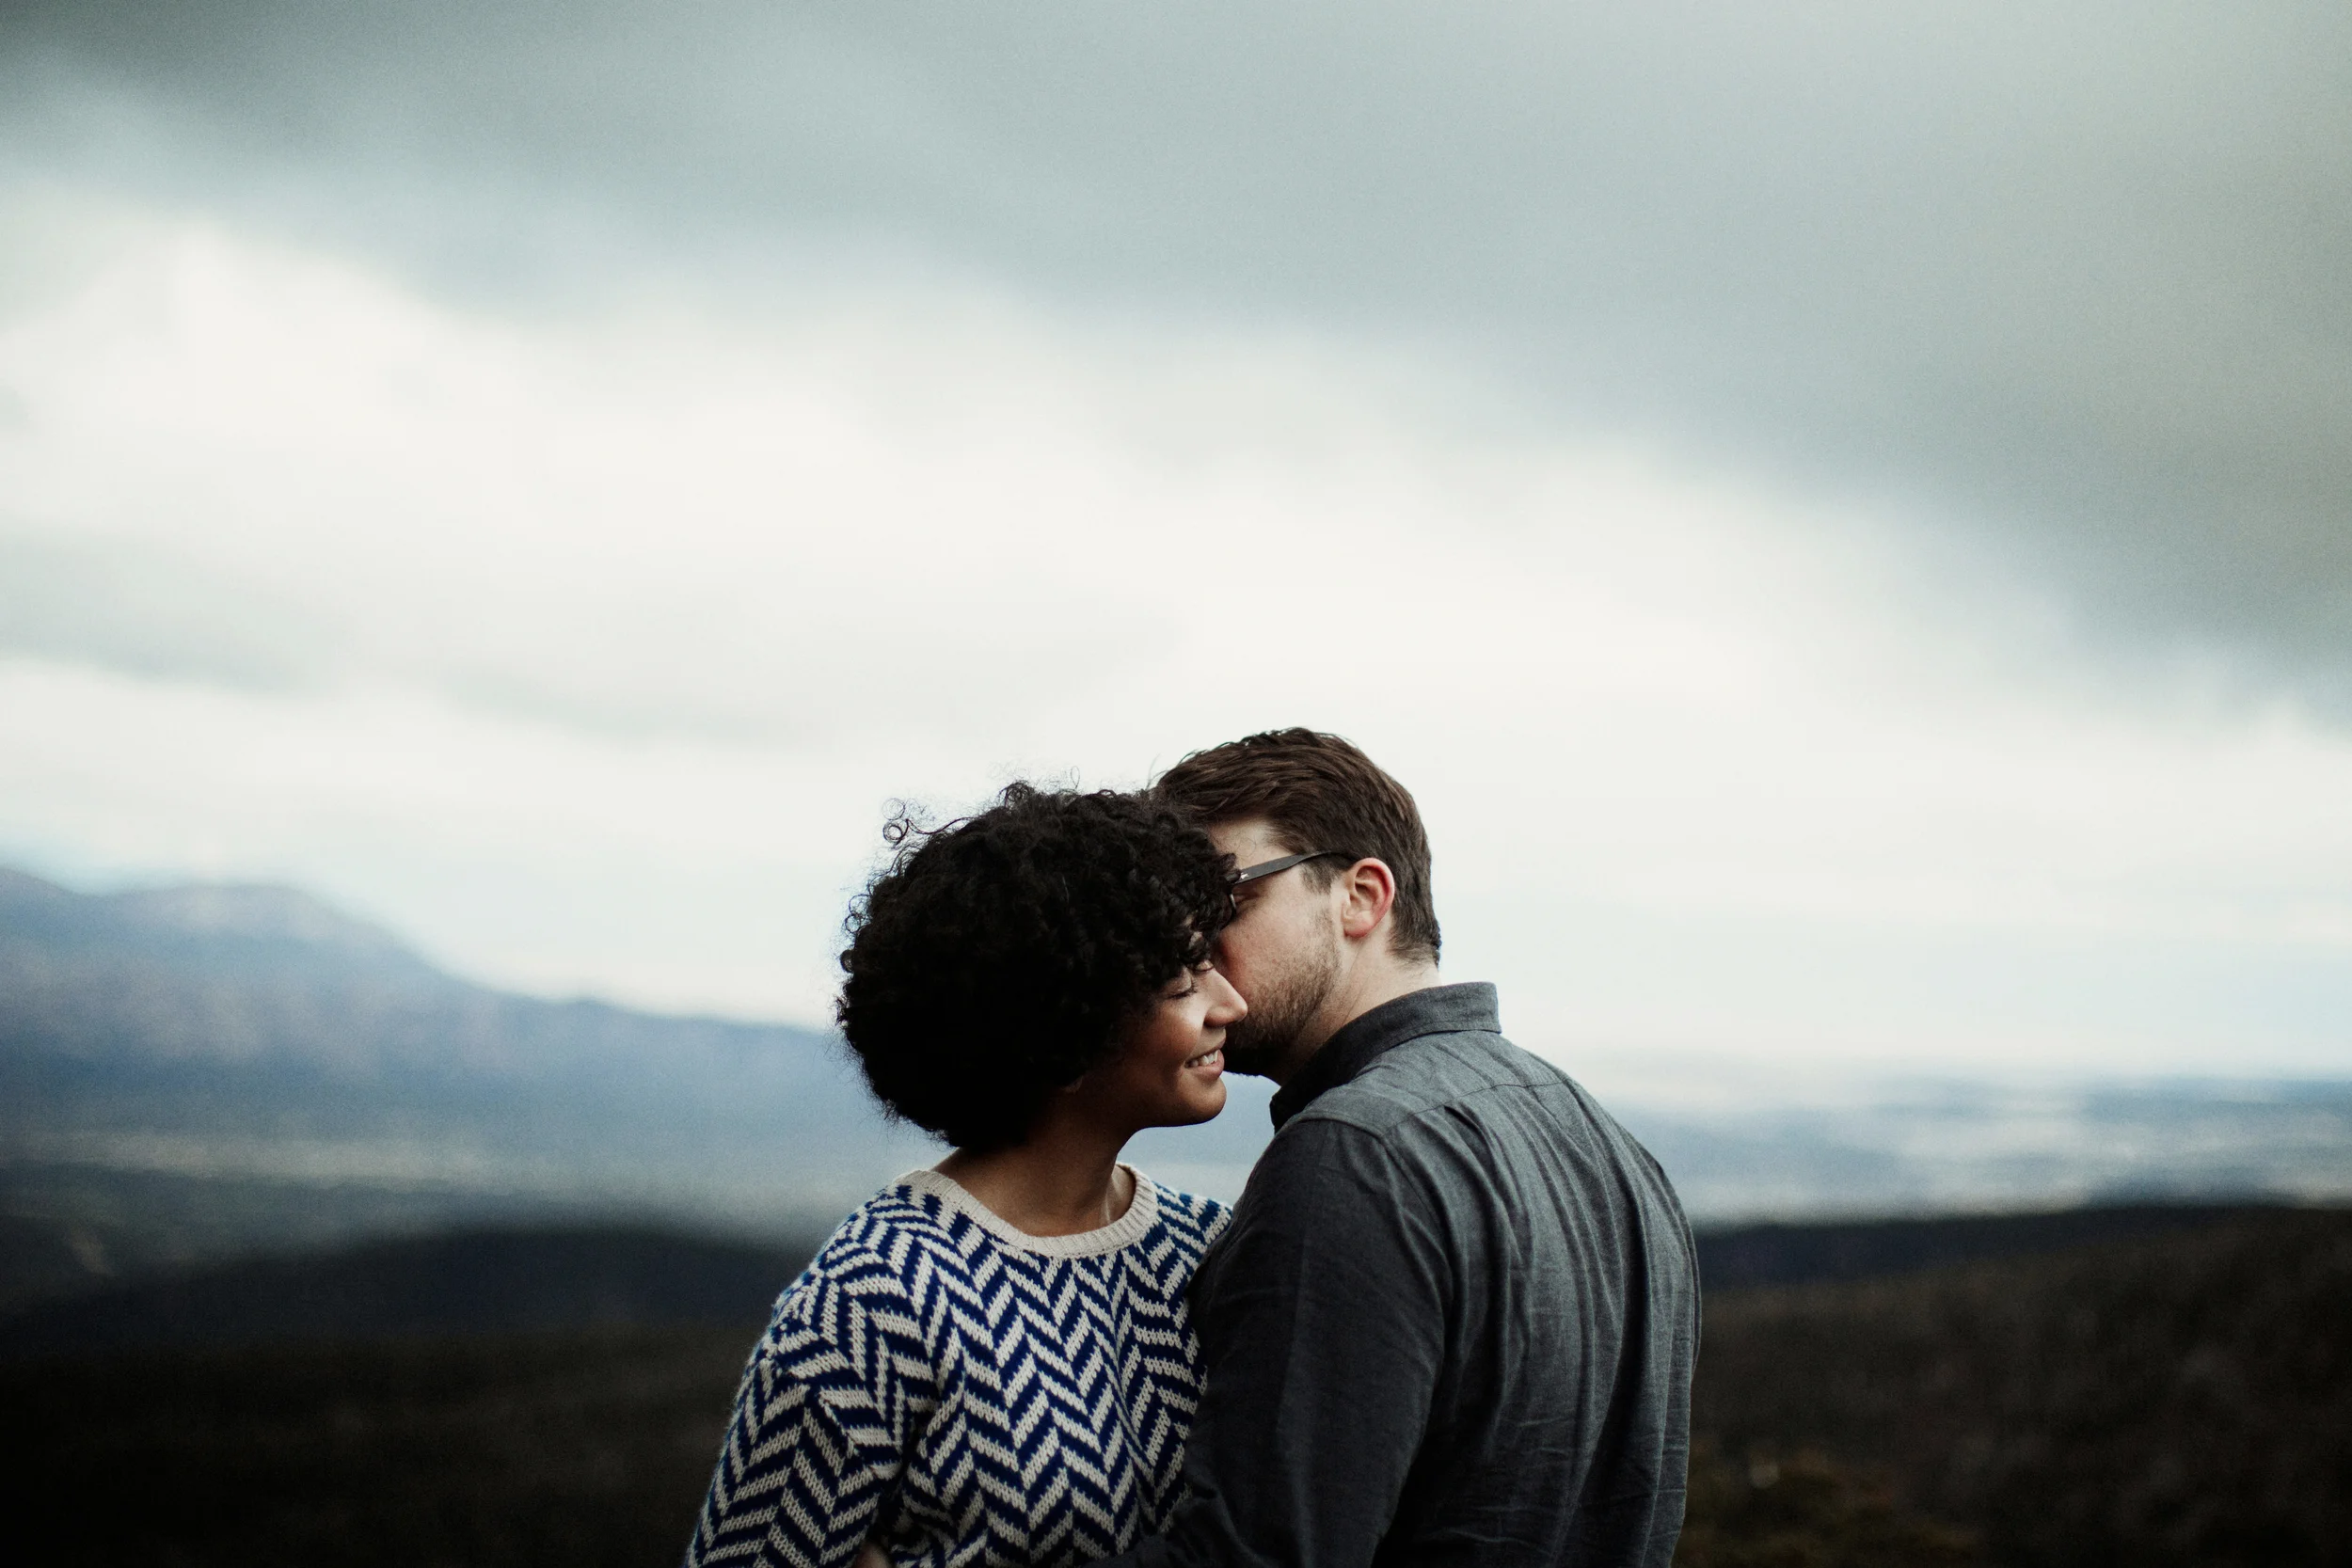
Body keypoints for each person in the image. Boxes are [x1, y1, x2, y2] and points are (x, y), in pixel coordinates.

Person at [1100, 727, 1701, 1568]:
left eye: (1223, 901)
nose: (1191, 950)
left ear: (1361, 896)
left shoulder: (1351, 1156)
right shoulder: (1611, 1143)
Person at [684, 784, 1248, 1568]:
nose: (1233, 1002)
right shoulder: (874, 1298)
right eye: (1185, 981)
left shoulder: (1210, 1248)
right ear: (1066, 1024)